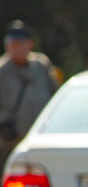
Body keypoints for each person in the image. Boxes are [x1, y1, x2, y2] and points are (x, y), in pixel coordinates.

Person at [0, 21, 59, 170]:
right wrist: (4, 121)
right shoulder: (2, 70)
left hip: (42, 139)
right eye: (12, 44)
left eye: (19, 44)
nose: (15, 48)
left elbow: (56, 96)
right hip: (13, 141)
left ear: (30, 44)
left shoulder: (42, 65)